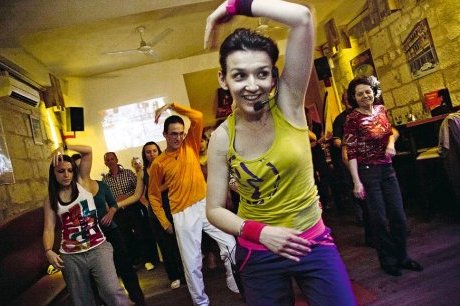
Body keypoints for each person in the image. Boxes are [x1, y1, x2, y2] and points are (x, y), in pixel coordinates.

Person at [204, 1, 356, 305]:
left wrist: (235, 6)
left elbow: (301, 17)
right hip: (259, 251)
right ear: (223, 79)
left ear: (274, 78)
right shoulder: (221, 138)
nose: (252, 86)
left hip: (311, 241)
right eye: (239, 76)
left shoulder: (289, 105)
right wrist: (260, 233)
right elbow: (214, 210)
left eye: (262, 74)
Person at [149, 103, 239, 306]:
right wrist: (165, 222)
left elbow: (197, 115)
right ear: (165, 135)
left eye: (181, 133)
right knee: (192, 264)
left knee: (230, 244)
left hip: (206, 205)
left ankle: (234, 281)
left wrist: (171, 106)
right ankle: (201, 302)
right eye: (173, 134)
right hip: (183, 214)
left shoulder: (190, 144)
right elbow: (153, 196)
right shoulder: (158, 163)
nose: (178, 137)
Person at [343, 75, 423, 276]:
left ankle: (402, 256)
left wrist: (390, 144)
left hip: (388, 170)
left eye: (367, 92)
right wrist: (356, 182)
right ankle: (388, 261)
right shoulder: (352, 119)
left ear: (373, 92)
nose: (365, 96)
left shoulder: (381, 110)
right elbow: (350, 152)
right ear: (353, 97)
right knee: (378, 219)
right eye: (359, 93)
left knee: (398, 216)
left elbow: (390, 131)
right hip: (368, 173)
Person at [43, 144, 131, 306]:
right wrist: (48, 250)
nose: (66, 175)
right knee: (81, 300)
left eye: (69, 170)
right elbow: (48, 228)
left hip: (98, 248)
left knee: (112, 292)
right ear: (53, 173)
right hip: (71, 256)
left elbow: (88, 151)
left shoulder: (81, 183)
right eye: (61, 171)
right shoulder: (51, 199)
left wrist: (63, 146)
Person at [72, 153, 146, 305]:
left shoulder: (101, 184)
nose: (81, 169)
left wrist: (111, 213)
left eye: (82, 165)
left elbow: (113, 203)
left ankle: (138, 300)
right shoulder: (71, 192)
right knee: (100, 275)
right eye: (76, 167)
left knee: (125, 266)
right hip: (91, 237)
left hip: (110, 231)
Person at [118, 142, 184, 289]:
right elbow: (136, 195)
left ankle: (187, 274)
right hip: (155, 214)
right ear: (144, 155)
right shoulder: (142, 173)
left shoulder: (167, 164)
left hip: (174, 208)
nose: (152, 154)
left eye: (154, 150)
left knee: (180, 244)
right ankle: (174, 276)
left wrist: (154, 191)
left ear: (159, 151)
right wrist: (117, 205)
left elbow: (173, 182)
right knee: (166, 247)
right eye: (148, 152)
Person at [103, 152, 159, 271]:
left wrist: (125, 197)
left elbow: (139, 189)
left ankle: (147, 260)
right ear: (105, 163)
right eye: (107, 160)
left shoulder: (128, 173)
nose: (110, 161)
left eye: (112, 158)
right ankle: (134, 261)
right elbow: (106, 196)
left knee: (141, 233)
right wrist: (115, 200)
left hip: (133, 208)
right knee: (125, 236)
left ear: (117, 159)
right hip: (118, 212)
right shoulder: (105, 180)